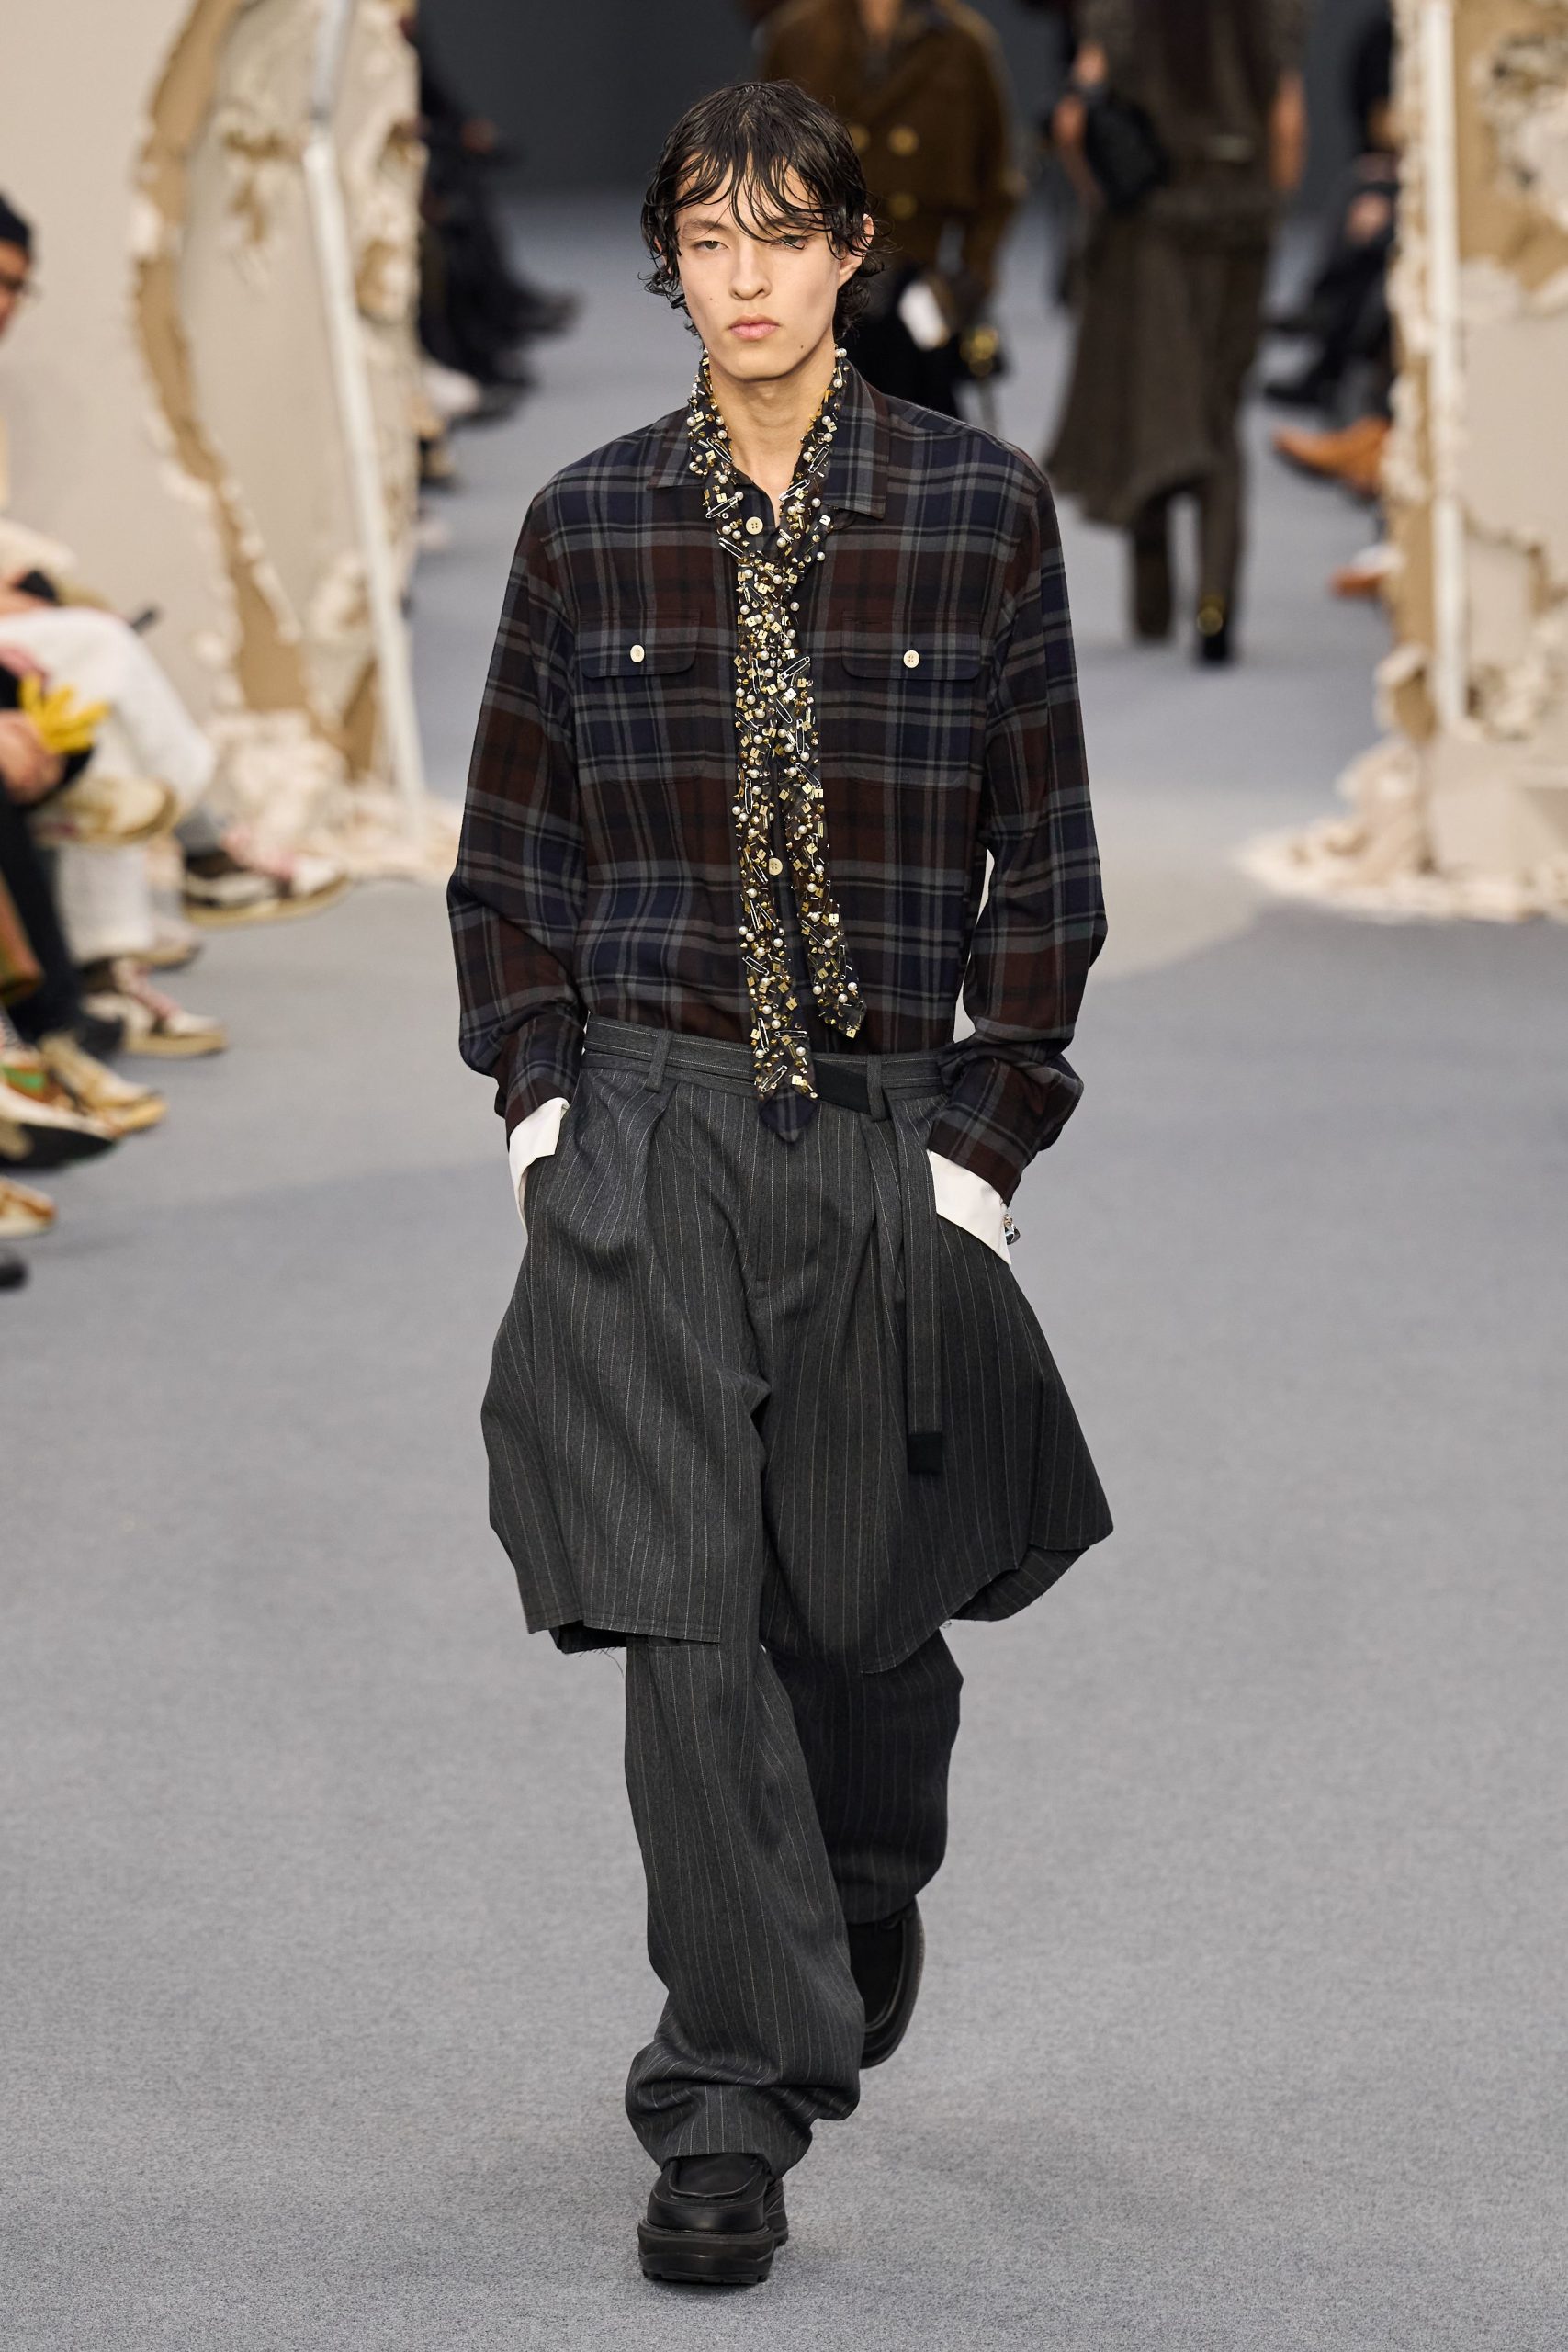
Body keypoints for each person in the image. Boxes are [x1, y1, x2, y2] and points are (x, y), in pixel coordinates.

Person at [450, 77, 1111, 2287]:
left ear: (848, 250)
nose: (743, 279)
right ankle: (722, 2092)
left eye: (781, 235)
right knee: (682, 1612)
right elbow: (511, 856)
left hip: (879, 1118)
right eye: (706, 240)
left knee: (854, 1620)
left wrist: (979, 1151)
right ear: (670, 263)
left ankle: (854, 1877)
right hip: (646, 1116)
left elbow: (1046, 861)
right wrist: (542, 1111)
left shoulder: (976, 510)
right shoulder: (582, 523)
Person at [1046, 0, 1307, 662]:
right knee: (1218, 410)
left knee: (1152, 399)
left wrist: (1102, 199)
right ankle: (1215, 603)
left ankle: (1152, 604)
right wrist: (1267, 210)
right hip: (1240, 219)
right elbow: (1286, 121)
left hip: (1151, 225)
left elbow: (1076, 123)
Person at [758, 0, 1021, 416]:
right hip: (816, 287)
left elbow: (996, 179)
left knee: (922, 435)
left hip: (918, 289)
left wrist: (969, 279)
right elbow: (758, 168)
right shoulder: (797, 35)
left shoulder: (961, 44)